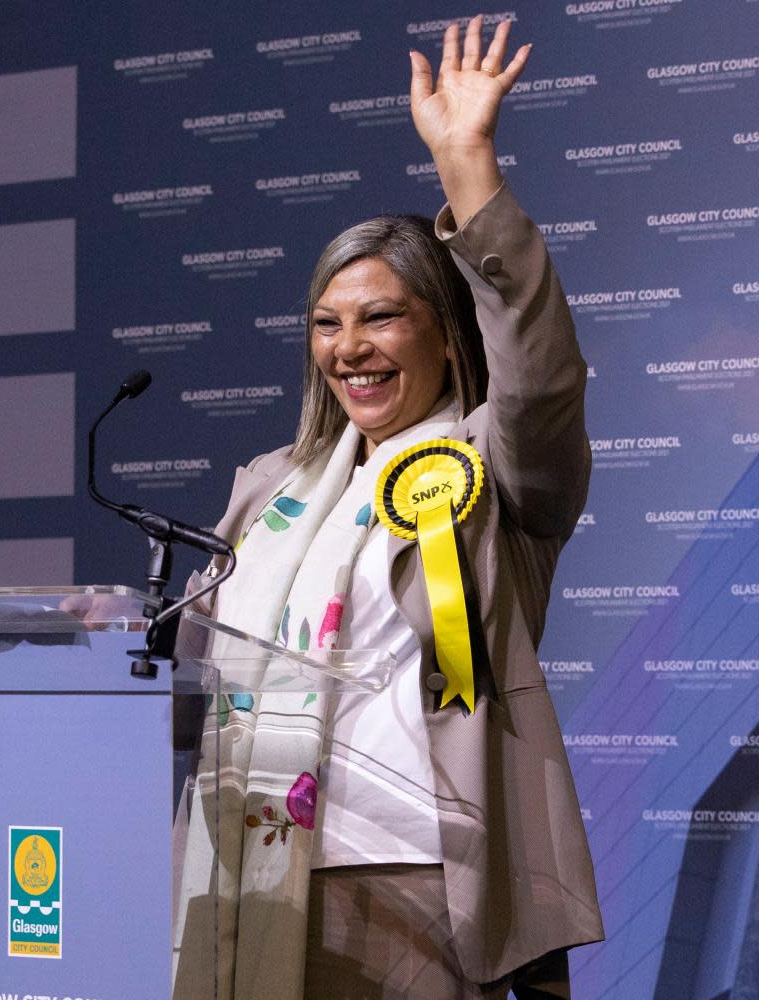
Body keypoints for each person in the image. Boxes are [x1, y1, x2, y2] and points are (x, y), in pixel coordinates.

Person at [186, 15, 603, 1000]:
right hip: (253, 878)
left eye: (380, 315)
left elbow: (539, 380)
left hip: (419, 880)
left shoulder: (497, 467)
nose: (349, 346)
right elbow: (188, 659)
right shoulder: (270, 488)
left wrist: (465, 164)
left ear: (448, 339)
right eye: (327, 324)